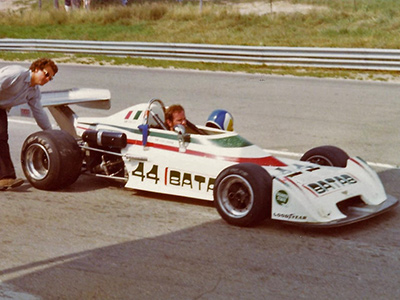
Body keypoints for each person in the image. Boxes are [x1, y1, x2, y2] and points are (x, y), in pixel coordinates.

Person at [0, 58, 58, 190]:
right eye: (46, 74)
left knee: (1, 138)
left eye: (51, 78)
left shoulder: (34, 92)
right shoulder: (16, 73)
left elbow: (39, 113)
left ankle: (5, 178)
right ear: (36, 69)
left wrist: (50, 132)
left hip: (0, 108)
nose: (47, 79)